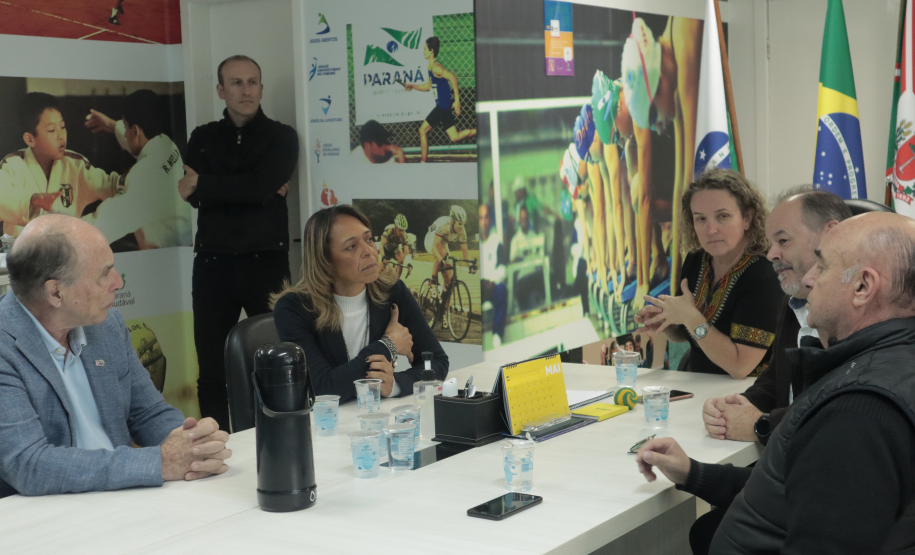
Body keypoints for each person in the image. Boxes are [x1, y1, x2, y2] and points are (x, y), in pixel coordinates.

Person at [636, 211, 915, 554]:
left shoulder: (857, 414)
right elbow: (796, 487)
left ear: (862, 287)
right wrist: (692, 472)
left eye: (822, 266)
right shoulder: (882, 367)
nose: (809, 278)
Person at [0, 215, 231, 498]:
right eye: (104, 273)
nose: (118, 282)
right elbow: (29, 465)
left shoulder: (106, 326)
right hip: (46, 517)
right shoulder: (5, 345)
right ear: (56, 292)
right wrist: (160, 462)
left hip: (120, 497)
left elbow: (148, 412)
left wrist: (192, 443)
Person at [180, 55, 298, 431]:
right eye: (236, 83)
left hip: (267, 264)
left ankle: (281, 437)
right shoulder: (202, 137)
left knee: (277, 361)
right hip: (212, 266)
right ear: (221, 90)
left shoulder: (282, 136)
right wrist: (256, 187)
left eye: (252, 82)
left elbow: (255, 186)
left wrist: (209, 182)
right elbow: (197, 195)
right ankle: (215, 446)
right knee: (212, 369)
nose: (245, 90)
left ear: (261, 88)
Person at [702, 187, 851, 443]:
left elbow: (840, 406)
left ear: (830, 234)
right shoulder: (791, 301)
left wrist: (763, 425)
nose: (771, 255)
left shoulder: (859, 311)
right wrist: (740, 404)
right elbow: (778, 376)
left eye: (783, 241)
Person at [272, 205, 447, 402]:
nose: (369, 251)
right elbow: (323, 389)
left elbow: (437, 363)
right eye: (351, 246)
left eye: (369, 239)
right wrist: (388, 345)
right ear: (325, 260)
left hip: (377, 419)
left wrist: (395, 385)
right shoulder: (294, 308)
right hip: (325, 426)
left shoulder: (392, 292)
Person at [634, 169, 783, 378]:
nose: (710, 229)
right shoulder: (697, 258)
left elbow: (740, 367)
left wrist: (690, 316)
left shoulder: (765, 275)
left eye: (722, 216)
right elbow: (685, 334)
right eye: (700, 219)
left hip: (747, 397)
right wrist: (666, 321)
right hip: (698, 386)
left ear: (747, 218)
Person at [0, 92, 123, 237]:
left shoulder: (75, 165)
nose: (61, 135)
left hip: (66, 252)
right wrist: (34, 201)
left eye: (62, 127)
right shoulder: (12, 165)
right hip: (22, 254)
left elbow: (115, 186)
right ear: (30, 139)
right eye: (52, 130)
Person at [83, 89, 192, 250]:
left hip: (166, 251)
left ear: (136, 130)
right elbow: (137, 142)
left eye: (126, 127)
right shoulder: (166, 143)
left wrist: (66, 229)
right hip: (185, 234)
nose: (125, 134)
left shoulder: (145, 175)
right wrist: (112, 125)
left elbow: (111, 219)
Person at [403, 36, 476, 162]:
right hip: (443, 106)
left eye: (425, 49)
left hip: (442, 106)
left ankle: (423, 162)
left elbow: (453, 77)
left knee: (422, 130)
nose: (423, 51)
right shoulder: (430, 67)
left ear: (431, 51)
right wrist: (412, 86)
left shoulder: (436, 67)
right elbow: (427, 86)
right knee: (454, 137)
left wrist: (457, 101)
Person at [425, 204, 475, 309]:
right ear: (452, 221)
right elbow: (435, 247)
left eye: (464, 224)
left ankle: (443, 307)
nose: (462, 227)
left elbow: (465, 254)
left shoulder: (462, 231)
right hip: (431, 239)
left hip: (443, 242)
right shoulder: (444, 225)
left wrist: (470, 265)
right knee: (442, 254)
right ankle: (433, 281)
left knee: (448, 276)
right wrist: (441, 260)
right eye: (459, 224)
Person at [479, 203, 506, 347]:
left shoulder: (497, 242)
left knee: (502, 290)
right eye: (481, 218)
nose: (484, 221)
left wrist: (493, 281)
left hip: (492, 285)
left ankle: (497, 334)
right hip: (479, 288)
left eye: (486, 217)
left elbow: (503, 268)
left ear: (490, 219)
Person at [379, 213, 414, 279]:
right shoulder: (389, 230)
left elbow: (407, 253)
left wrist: (409, 263)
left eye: (403, 230)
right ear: (395, 226)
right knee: (382, 267)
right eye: (400, 230)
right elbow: (381, 245)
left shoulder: (404, 236)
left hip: (394, 248)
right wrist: (383, 257)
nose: (402, 232)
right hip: (385, 248)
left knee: (401, 259)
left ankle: (396, 280)